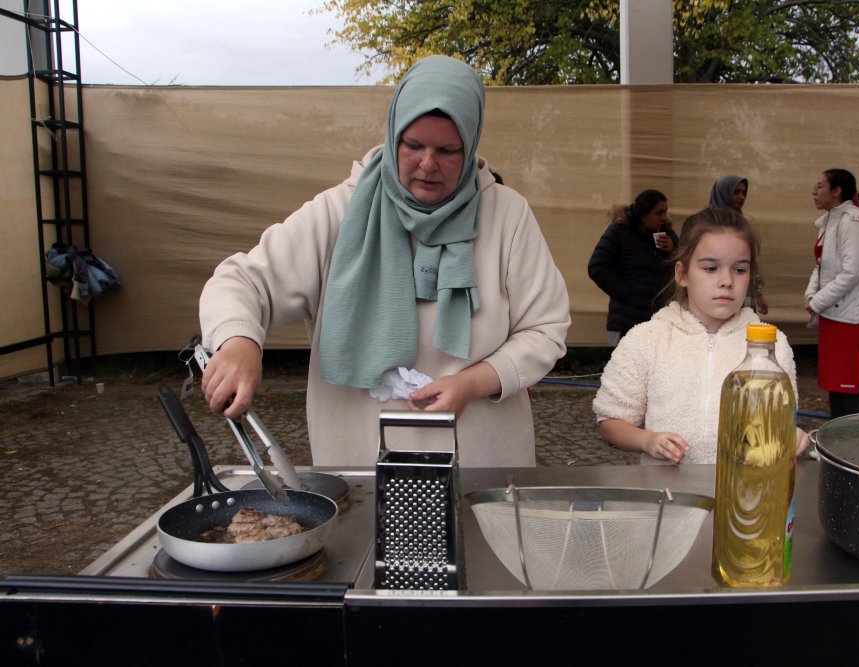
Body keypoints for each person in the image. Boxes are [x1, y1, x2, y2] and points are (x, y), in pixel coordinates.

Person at [198, 55, 571, 468]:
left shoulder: (507, 215)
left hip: (481, 463)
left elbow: (546, 328)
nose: (428, 164)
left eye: (448, 150)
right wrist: (239, 342)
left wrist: (473, 382)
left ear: (471, 145)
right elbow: (241, 282)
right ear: (393, 133)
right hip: (362, 464)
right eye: (413, 145)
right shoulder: (339, 211)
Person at [593, 207, 809, 464]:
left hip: (746, 495)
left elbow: (780, 422)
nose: (727, 280)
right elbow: (610, 420)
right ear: (682, 274)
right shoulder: (646, 339)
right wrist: (647, 440)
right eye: (710, 268)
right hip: (669, 496)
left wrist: (792, 436)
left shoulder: (771, 344)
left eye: (740, 270)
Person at [805, 168, 859, 419]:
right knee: (834, 381)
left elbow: (851, 273)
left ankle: (849, 435)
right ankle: (835, 433)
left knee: (846, 384)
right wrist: (811, 295)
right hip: (833, 311)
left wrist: (818, 301)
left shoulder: (853, 222)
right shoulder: (831, 220)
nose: (814, 192)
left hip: (850, 315)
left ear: (837, 191)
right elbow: (822, 266)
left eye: (820, 186)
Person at [588, 189, 679, 346]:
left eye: (665, 212)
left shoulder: (666, 235)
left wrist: (674, 249)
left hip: (658, 321)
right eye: (659, 213)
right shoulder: (619, 232)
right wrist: (626, 294)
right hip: (626, 321)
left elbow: (681, 268)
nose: (664, 218)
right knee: (624, 368)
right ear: (643, 215)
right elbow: (597, 266)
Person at [708, 174, 768, 315]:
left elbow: (750, 261)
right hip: (719, 291)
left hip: (743, 291)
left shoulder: (742, 223)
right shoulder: (707, 223)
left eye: (744, 193)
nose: (741, 197)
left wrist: (758, 294)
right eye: (736, 192)